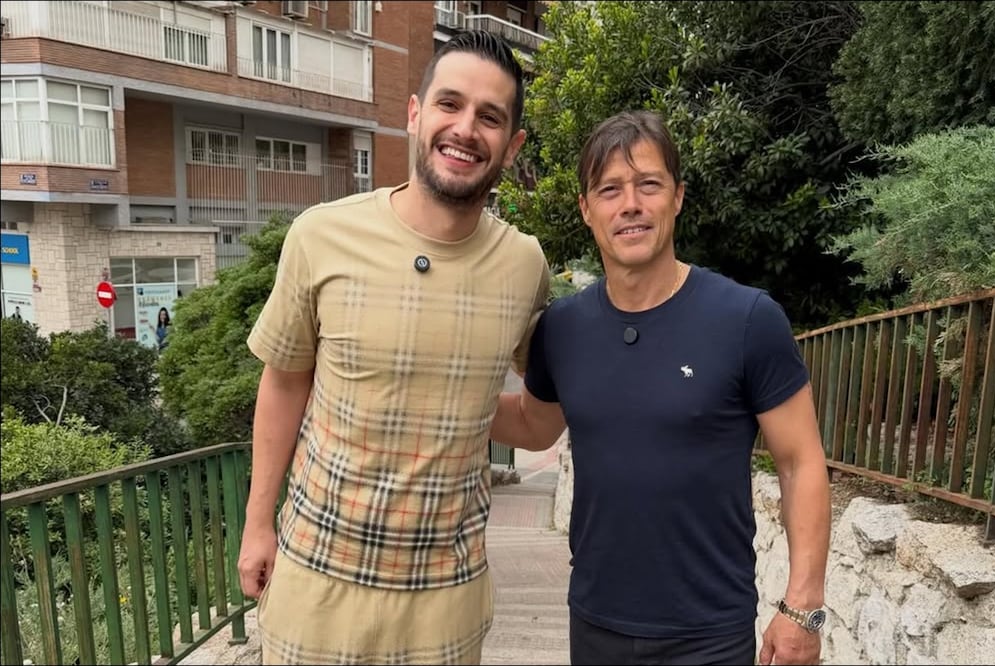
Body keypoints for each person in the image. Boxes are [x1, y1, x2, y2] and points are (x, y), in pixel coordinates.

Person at [238, 31, 550, 665]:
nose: (465, 129)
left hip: (445, 601)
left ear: (512, 146)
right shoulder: (321, 235)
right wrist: (256, 523)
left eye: (489, 117)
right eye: (449, 104)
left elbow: (533, 417)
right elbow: (284, 382)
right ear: (414, 114)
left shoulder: (524, 264)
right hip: (316, 583)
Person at [491, 110, 832, 665]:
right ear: (586, 209)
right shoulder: (563, 327)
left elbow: (801, 463)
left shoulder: (747, 319)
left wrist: (803, 608)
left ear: (677, 197)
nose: (630, 204)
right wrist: (447, 398)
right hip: (595, 623)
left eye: (648, 184)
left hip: (709, 635)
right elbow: (534, 423)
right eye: (610, 190)